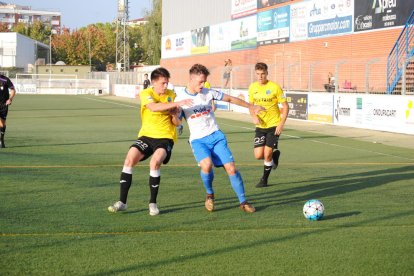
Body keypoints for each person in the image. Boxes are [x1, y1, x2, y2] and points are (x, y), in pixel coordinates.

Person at [175, 64, 264, 213]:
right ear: (191, 79)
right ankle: (209, 195)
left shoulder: (208, 92)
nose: (203, 85)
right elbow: (177, 122)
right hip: (198, 140)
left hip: (216, 136)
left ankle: (243, 202)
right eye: (200, 82)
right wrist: (173, 114)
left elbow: (230, 98)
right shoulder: (180, 99)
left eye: (204, 81)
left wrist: (250, 107)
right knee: (207, 165)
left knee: (231, 168)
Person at [108, 67, 192, 216]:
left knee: (155, 162)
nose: (166, 86)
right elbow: (153, 108)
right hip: (146, 136)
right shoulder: (146, 93)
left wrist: (174, 114)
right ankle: (122, 202)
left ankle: (152, 203)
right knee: (129, 160)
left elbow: (178, 123)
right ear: (153, 82)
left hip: (165, 137)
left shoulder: (171, 95)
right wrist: (175, 104)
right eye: (163, 83)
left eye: (167, 83)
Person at [248, 62, 289, 188]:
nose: (260, 76)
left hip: (273, 125)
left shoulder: (275, 87)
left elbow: (286, 107)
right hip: (260, 126)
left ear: (267, 73)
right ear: (255, 74)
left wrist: (281, 124)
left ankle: (264, 180)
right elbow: (251, 106)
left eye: (263, 74)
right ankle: (273, 158)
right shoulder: (252, 87)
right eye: (258, 74)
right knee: (258, 155)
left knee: (266, 154)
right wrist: (254, 117)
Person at [0, 74, 16, 148]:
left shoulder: (5, 79)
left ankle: (1, 139)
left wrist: (10, 99)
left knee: (2, 124)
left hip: (3, 105)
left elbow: (13, 90)